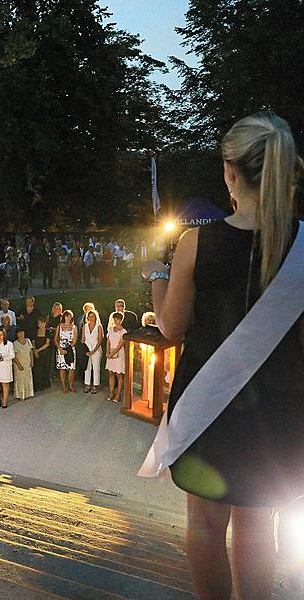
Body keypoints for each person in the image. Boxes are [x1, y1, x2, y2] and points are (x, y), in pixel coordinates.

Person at [141, 112, 304, 600]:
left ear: (231, 172)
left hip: (208, 403)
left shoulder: (196, 243)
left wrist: (156, 278)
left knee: (206, 524)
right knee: (258, 525)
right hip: (276, 407)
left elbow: (170, 328)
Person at [105, 312, 127, 403]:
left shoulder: (123, 331)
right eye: (114, 319)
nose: (116, 321)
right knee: (111, 373)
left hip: (119, 354)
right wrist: (107, 352)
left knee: (119, 374)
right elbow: (108, 342)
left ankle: (118, 394)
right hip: (110, 353)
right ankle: (111, 392)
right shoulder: (110, 329)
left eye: (117, 319)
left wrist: (112, 353)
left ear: (121, 320)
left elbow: (120, 345)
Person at [81, 309, 104, 394]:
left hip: (96, 349)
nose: (91, 318)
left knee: (96, 367)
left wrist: (94, 351)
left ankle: (95, 385)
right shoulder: (85, 326)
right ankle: (87, 384)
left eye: (93, 316)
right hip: (87, 349)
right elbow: (83, 339)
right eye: (89, 316)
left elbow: (100, 340)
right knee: (87, 367)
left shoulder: (99, 326)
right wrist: (85, 350)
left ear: (95, 317)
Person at [55, 309, 78, 393]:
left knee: (71, 368)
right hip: (61, 349)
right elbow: (55, 339)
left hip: (70, 349)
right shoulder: (59, 326)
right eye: (67, 316)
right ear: (64, 317)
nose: (68, 318)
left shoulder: (74, 327)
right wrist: (60, 349)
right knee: (62, 368)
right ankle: (64, 386)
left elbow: (75, 340)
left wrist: (68, 348)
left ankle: (71, 385)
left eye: (70, 316)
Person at [12, 328, 34, 401]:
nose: (21, 334)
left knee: (28, 378)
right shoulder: (15, 343)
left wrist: (32, 361)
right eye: (19, 333)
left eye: (22, 332)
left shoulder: (28, 340)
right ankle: (21, 395)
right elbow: (14, 356)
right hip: (19, 363)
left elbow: (31, 351)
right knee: (20, 379)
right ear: (17, 334)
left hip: (27, 362)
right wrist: (19, 365)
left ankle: (29, 393)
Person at [32, 316, 52, 391]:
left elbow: (47, 344)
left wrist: (38, 350)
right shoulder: (35, 331)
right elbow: (33, 342)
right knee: (37, 369)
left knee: (44, 368)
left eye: (42, 323)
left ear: (45, 323)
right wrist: (34, 350)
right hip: (36, 352)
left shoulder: (47, 332)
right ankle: (37, 385)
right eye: (39, 323)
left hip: (44, 352)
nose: (40, 324)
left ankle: (44, 384)